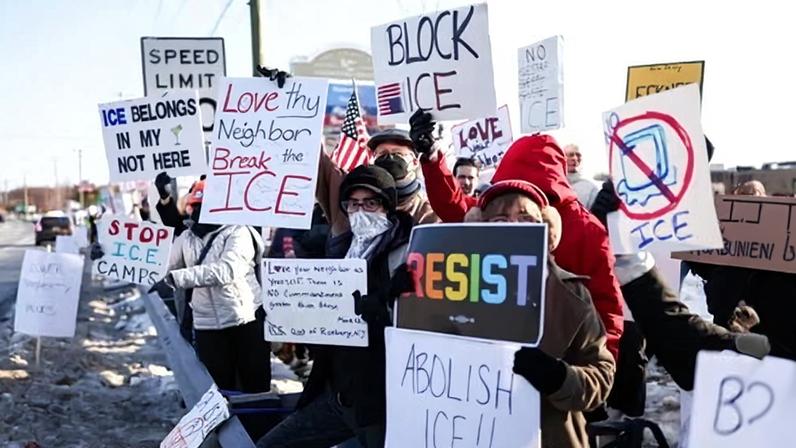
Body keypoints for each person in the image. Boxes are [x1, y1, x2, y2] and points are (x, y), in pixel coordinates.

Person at [415, 110, 625, 359]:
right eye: (503, 217)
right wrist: (432, 158)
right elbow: (454, 205)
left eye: (525, 217)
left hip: (558, 358)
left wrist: (599, 371)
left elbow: (606, 306)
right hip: (500, 346)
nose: (511, 221)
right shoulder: (492, 211)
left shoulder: (587, 231)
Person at [258, 165, 414, 448]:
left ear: (387, 206)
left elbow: (420, 321)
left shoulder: (407, 250)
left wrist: (384, 306)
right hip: (336, 392)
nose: (361, 210)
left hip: (380, 399)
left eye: (371, 202)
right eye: (353, 204)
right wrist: (282, 309)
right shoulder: (342, 246)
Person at [463, 179, 614, 448]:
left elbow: (601, 376)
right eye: (500, 221)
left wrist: (559, 378)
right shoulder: (455, 291)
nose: (514, 230)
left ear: (545, 231)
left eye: (526, 220)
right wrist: (412, 294)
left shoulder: (573, 295)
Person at [149, 181, 271, 394]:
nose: (197, 212)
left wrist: (176, 278)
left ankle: (258, 427)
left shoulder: (239, 232)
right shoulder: (186, 237)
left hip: (244, 320)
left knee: (255, 387)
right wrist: (111, 254)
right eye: (194, 206)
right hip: (207, 327)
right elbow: (160, 264)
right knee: (218, 391)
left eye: (202, 206)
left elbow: (226, 270)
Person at [316, 129, 438, 238]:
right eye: (382, 154)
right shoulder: (349, 195)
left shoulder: (428, 213)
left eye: (398, 154)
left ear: (415, 161)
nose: (390, 158)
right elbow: (319, 163)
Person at [564, 144, 600, 209]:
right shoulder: (553, 185)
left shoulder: (590, 188)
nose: (575, 158)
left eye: (578, 155)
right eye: (570, 155)